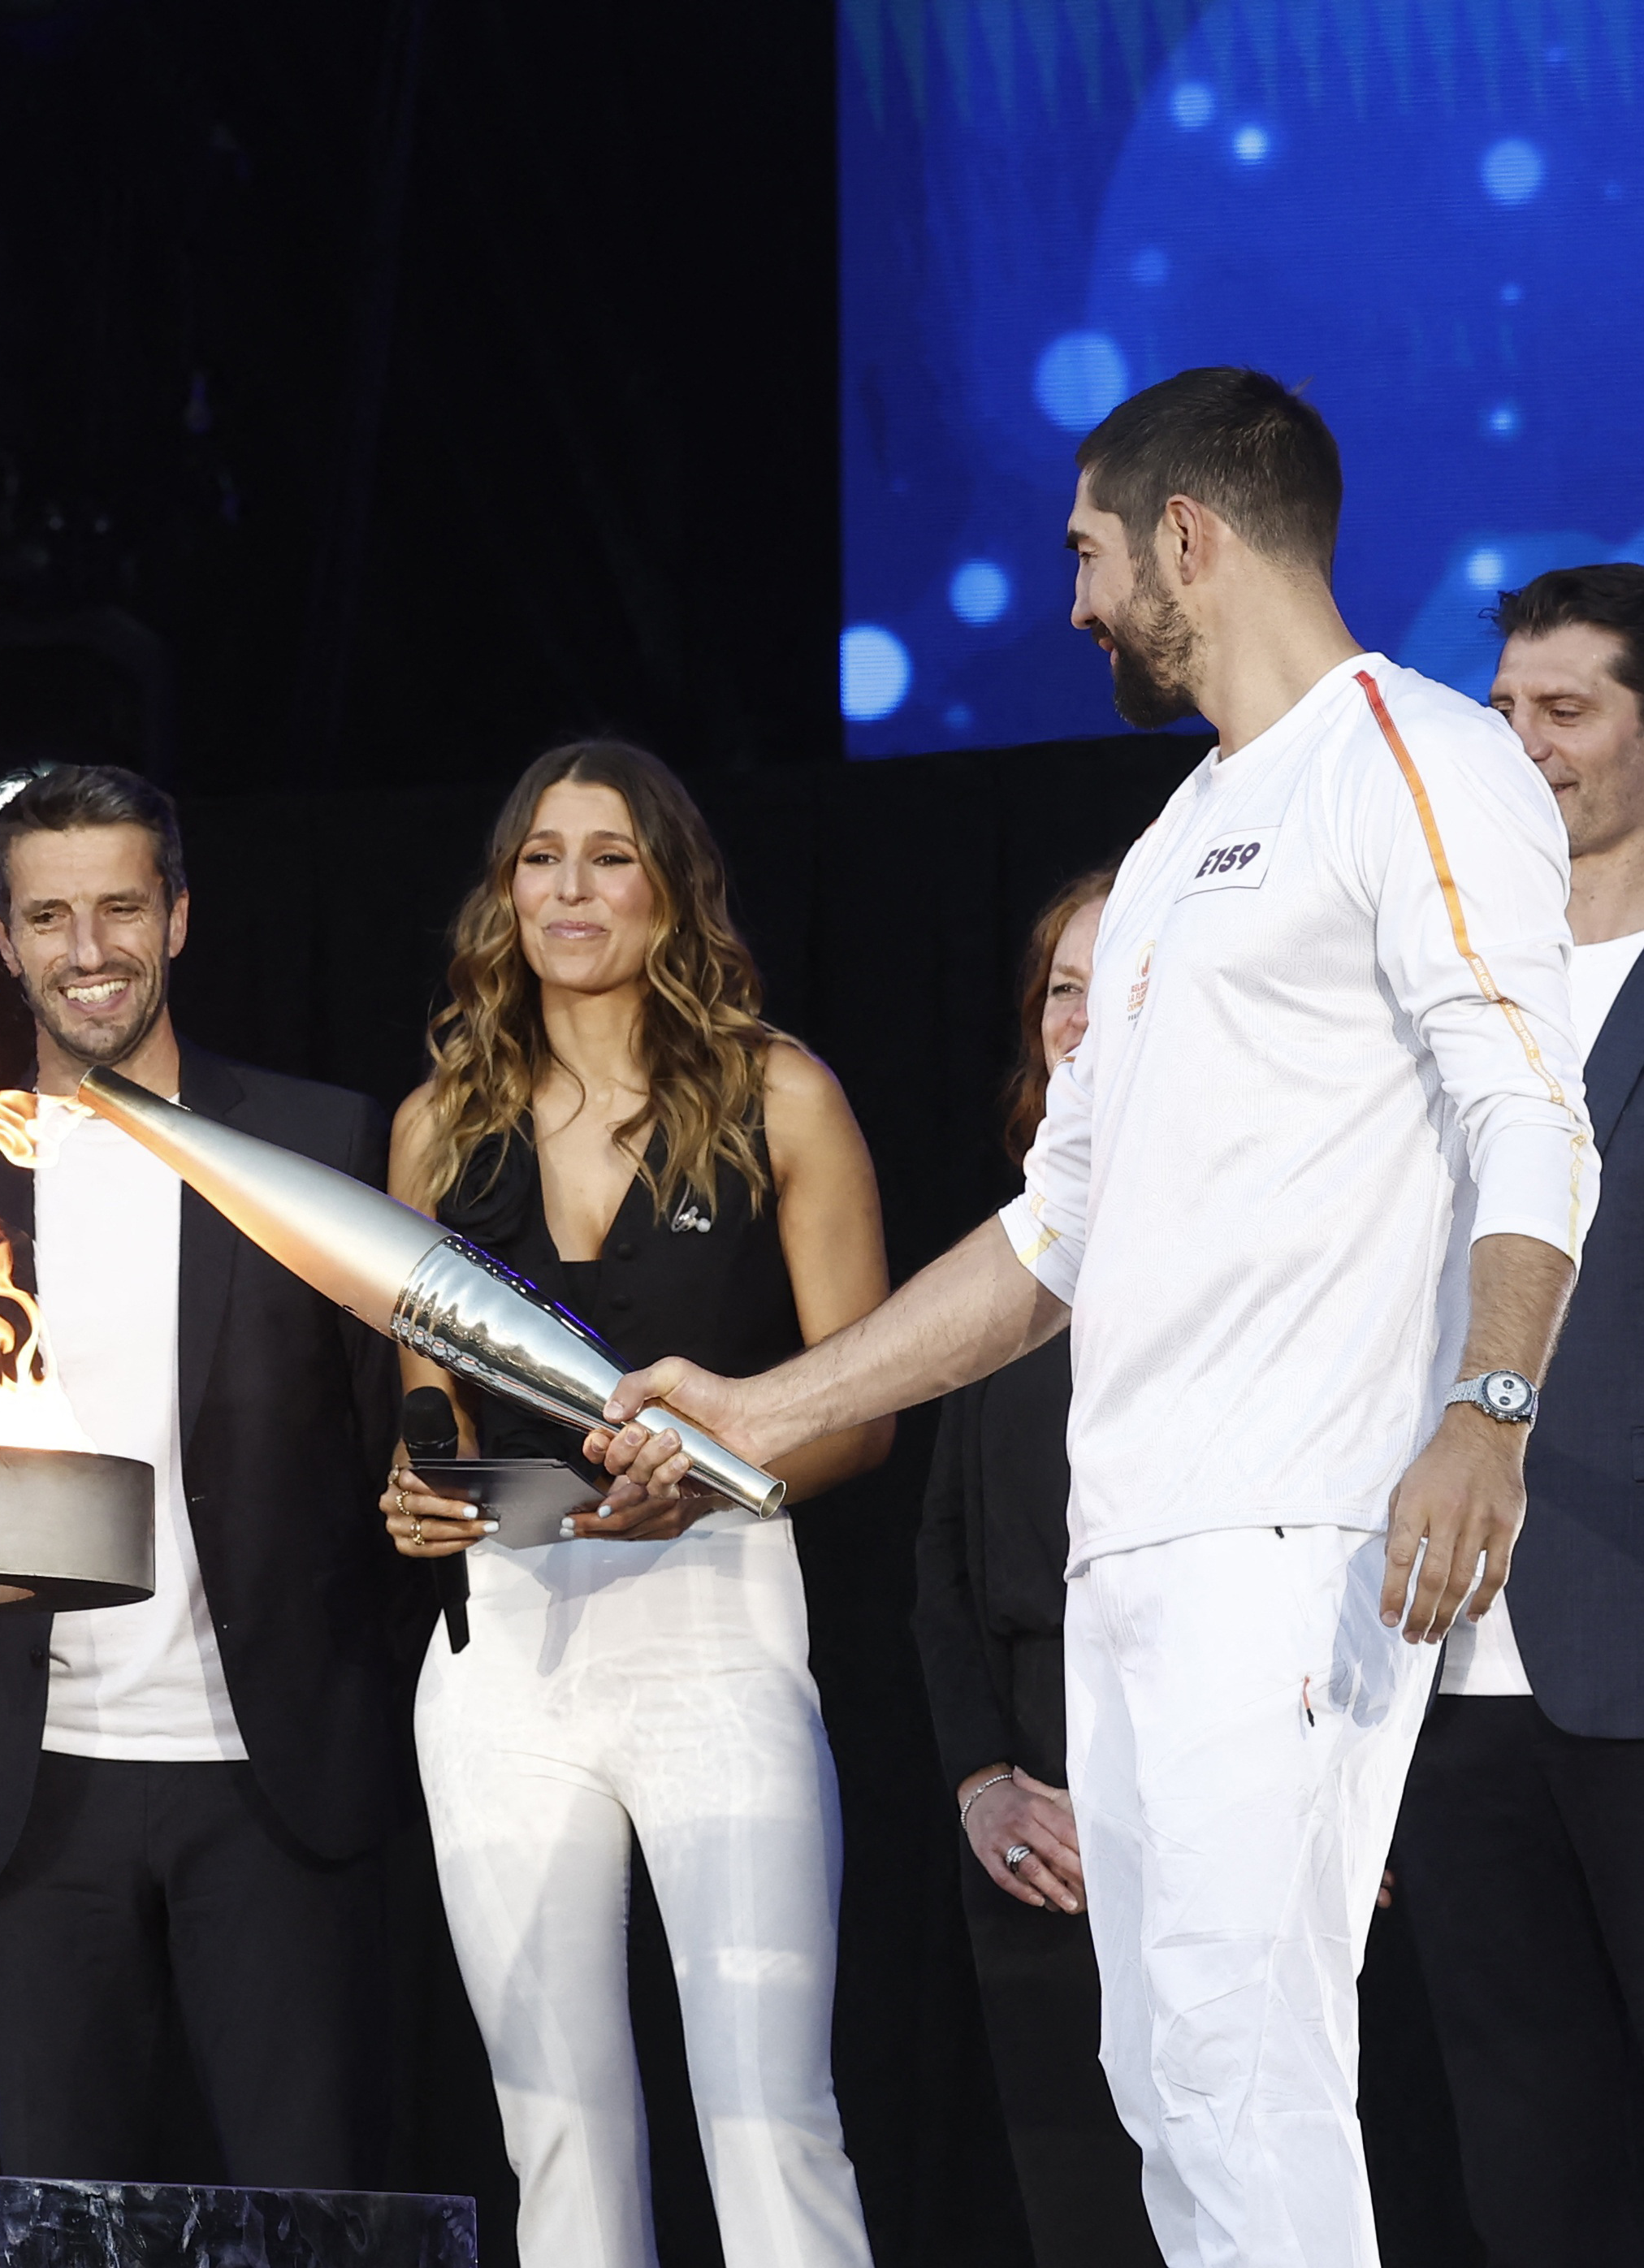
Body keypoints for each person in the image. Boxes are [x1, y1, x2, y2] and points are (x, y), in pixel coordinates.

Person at [591, 368, 1590, 2268]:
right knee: (1167, 2080)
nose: (1072, 604)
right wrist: (762, 1401)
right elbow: (1050, 1241)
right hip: (1134, 1541)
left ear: (1189, 536)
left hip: (1294, 1531)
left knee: (1244, 2059)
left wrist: (1489, 1402)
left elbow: (1527, 1109)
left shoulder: (1416, 756)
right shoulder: (1160, 861)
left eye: (1088, 553)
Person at [378, 742, 889, 2268]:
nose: (570, 888)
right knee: (561, 2132)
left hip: (719, 1628)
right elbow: (427, 1398)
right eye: (541, 857)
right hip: (503, 1654)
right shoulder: (436, 1124)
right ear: (504, 893)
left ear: (671, 889)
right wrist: (418, 1488)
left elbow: (859, 1411)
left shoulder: (779, 1095)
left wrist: (715, 1481)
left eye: (609, 856)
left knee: (764, 2111)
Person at [0, 764, 407, 2188]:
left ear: (180, 916)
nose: (89, 952)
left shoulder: (319, 1143)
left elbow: (401, 1438)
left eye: (121, 908)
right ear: (2, 939)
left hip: (277, 1778)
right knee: (58, 2219)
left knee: (304, 2207)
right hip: (35, 1787)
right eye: (50, 916)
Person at [1387, 563, 1644, 2266]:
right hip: (1449, 1662)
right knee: (1528, 2165)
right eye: (1502, 713)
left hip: (1627, 1640)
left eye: (1569, 711)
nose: (1525, 745)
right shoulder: (1437, 987)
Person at [909, 868, 1158, 2268]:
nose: (1081, 1016)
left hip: (1216, 1762)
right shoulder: (1008, 1251)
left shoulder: (1271, 1236)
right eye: (1060, 988)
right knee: (1080, 2209)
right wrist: (980, 1776)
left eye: (1109, 980)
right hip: (1035, 1807)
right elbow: (941, 1555)